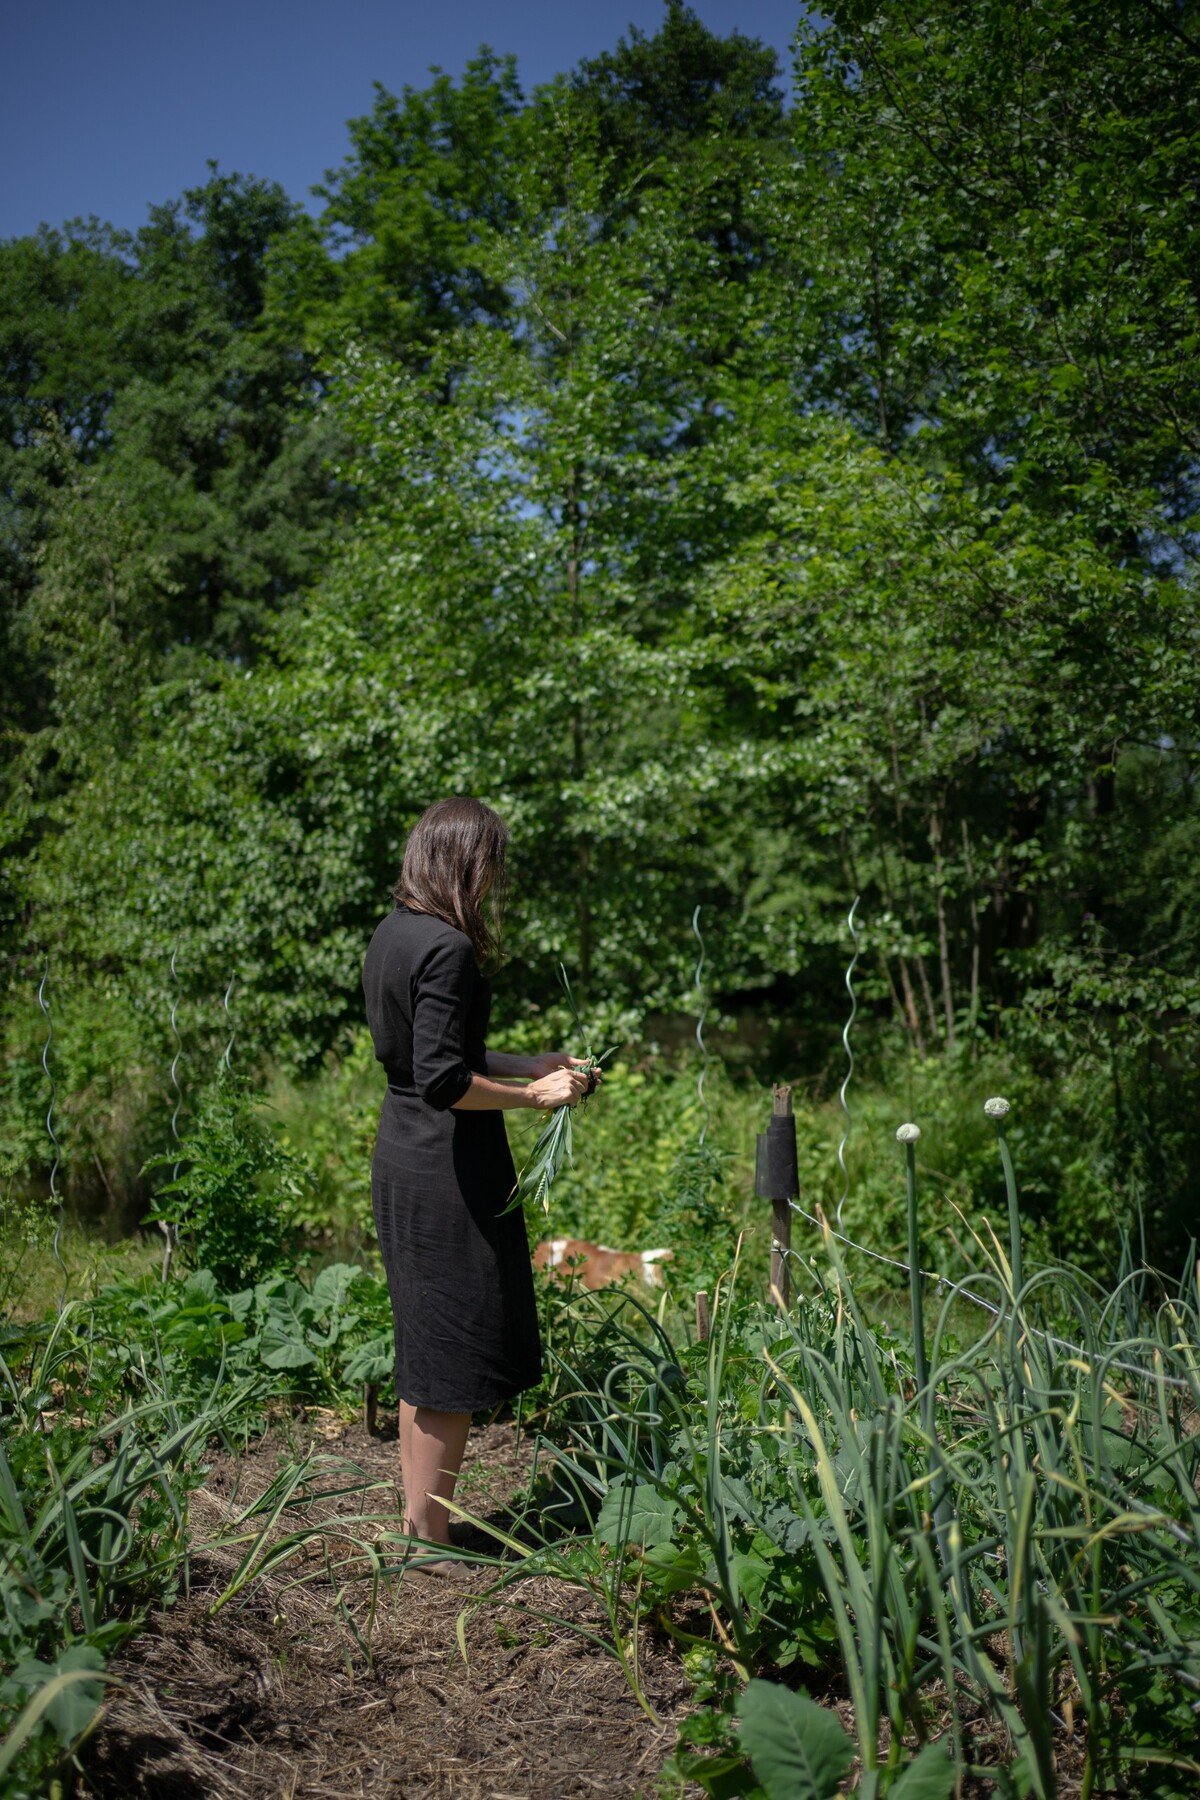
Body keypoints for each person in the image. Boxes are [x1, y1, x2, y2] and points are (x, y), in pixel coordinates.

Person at [361, 795, 594, 1573]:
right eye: (490, 861)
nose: (495, 877)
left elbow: (433, 1055)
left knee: (428, 1343)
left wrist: (527, 1063)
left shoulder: (394, 933)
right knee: (452, 1351)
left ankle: (418, 1523)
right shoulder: (448, 948)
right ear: (464, 860)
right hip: (445, 1169)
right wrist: (535, 1098)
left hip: (402, 1154)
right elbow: (441, 1079)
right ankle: (428, 1543)